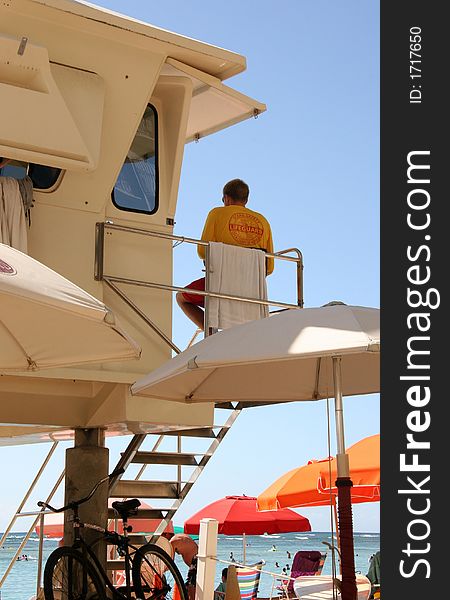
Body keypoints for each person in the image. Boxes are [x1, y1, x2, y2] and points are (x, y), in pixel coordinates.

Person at [176, 178, 274, 330]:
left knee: (181, 297)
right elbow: (269, 267)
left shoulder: (217, 214)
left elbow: (202, 252)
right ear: (246, 200)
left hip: (220, 285)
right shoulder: (263, 221)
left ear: (227, 198)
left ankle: (214, 336)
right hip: (253, 292)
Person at [170, 533, 199, 600]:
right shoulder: (180, 536)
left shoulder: (172, 542)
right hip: (197, 559)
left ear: (167, 534)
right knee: (190, 585)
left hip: (195, 561)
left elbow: (170, 561)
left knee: (191, 585)